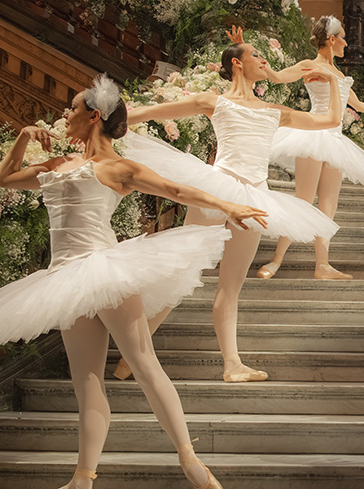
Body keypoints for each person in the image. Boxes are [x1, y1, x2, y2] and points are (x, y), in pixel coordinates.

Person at [0, 75, 268, 489]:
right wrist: (23, 137)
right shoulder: (57, 164)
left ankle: (190, 460)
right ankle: (81, 484)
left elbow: (175, 190)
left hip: (106, 270)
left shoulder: (116, 167)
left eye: (72, 108)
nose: (65, 115)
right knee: (86, 382)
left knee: (144, 363)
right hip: (66, 280)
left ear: (94, 115)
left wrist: (226, 205)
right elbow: (6, 179)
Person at [117, 41, 343, 382]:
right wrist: (104, 127)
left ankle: (232, 364)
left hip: (255, 198)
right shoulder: (214, 101)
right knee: (182, 273)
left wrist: (333, 80)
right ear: (236, 63)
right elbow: (151, 113)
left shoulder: (274, 110)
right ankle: (131, 355)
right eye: (256, 55)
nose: (264, 60)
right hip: (217, 189)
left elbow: (331, 119)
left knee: (231, 286)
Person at [255, 17, 364, 280]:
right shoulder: (310, 65)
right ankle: (277, 259)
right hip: (313, 135)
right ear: (332, 39)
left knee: (329, 205)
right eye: (343, 37)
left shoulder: (339, 74)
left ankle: (322, 265)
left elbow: (356, 105)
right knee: (304, 201)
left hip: (335, 141)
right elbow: (279, 77)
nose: (346, 43)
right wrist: (262, 63)